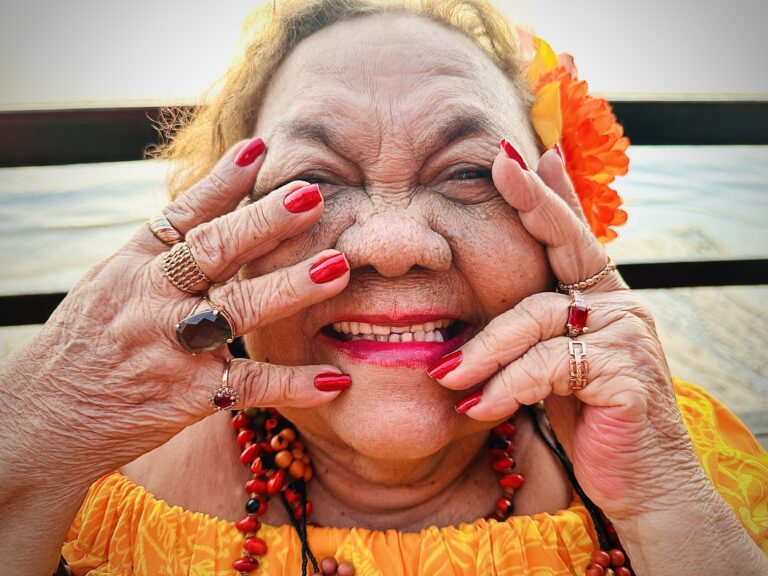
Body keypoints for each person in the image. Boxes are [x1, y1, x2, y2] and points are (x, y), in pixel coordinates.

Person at [1, 0, 766, 574]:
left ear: (560, 223)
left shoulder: (671, 451)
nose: (394, 246)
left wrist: (664, 508)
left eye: (470, 172)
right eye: (310, 182)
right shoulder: (80, 478)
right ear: (227, 237)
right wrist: (29, 438)